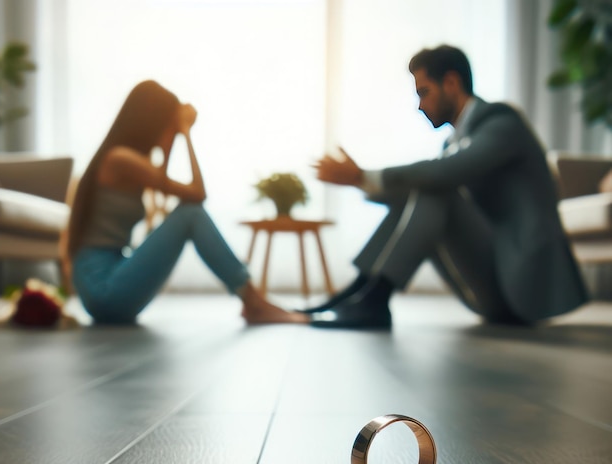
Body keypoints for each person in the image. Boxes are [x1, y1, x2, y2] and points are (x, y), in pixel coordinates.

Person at [305, 45, 588, 329]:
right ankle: (362, 292)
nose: (419, 105)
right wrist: (359, 180)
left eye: (423, 92)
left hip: (524, 285)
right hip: (494, 283)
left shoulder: (502, 122)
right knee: (428, 187)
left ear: (451, 82)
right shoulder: (451, 144)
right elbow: (414, 194)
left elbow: (444, 173)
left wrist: (364, 175)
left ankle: (373, 298)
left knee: (436, 187)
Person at [63, 80, 307, 325]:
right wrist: (185, 133)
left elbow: (164, 182)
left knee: (188, 212)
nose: (172, 130)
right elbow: (197, 193)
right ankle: (253, 301)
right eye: (168, 124)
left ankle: (252, 300)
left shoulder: (132, 161)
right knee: (190, 214)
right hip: (103, 287)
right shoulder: (120, 159)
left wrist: (175, 135)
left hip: (113, 272)